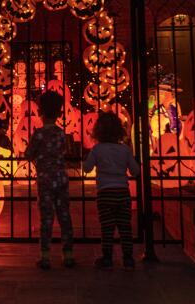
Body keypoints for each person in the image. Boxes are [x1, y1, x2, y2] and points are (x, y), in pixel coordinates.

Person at [83, 111, 140, 270]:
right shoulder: (125, 150)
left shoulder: (97, 149)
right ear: (119, 130)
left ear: (98, 131)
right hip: (122, 192)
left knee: (106, 227)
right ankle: (128, 258)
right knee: (125, 226)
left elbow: (87, 168)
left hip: (105, 193)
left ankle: (107, 257)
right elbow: (135, 171)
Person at [24, 90, 74, 270]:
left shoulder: (38, 134)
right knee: (64, 215)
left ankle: (45, 257)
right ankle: (68, 255)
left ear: (40, 112)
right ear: (60, 113)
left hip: (45, 179)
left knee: (46, 218)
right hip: (61, 178)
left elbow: (29, 154)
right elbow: (65, 152)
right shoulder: (61, 134)